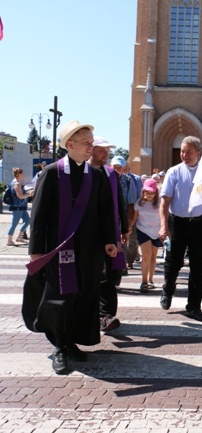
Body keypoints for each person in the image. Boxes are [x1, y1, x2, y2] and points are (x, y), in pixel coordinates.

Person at [22, 120, 117, 375]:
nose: (91, 147)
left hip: (89, 250)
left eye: (92, 143)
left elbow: (107, 211)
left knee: (85, 295)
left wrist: (110, 240)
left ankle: (72, 340)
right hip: (59, 249)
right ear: (70, 145)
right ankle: (60, 347)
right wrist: (36, 251)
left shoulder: (96, 175)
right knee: (60, 297)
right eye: (86, 143)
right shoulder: (52, 173)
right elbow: (39, 214)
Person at [158, 136, 202, 322]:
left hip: (200, 224)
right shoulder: (174, 172)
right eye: (182, 151)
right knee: (173, 262)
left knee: (198, 265)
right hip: (176, 223)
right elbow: (165, 202)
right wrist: (163, 226)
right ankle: (168, 288)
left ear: (198, 153)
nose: (184, 155)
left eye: (188, 151)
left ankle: (194, 306)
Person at [89, 137, 129, 333]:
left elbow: (119, 201)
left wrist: (124, 228)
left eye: (107, 151)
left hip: (111, 231)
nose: (105, 154)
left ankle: (106, 315)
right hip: (89, 234)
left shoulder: (111, 174)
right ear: (90, 151)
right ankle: (96, 314)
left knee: (110, 274)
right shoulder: (84, 173)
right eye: (100, 151)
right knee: (94, 275)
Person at [133, 178, 162, 292]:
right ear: (143, 191)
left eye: (152, 192)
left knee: (153, 256)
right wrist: (129, 227)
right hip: (143, 230)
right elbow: (135, 218)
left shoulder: (160, 202)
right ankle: (144, 281)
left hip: (156, 231)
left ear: (156, 192)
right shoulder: (139, 203)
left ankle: (150, 279)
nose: (149, 195)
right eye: (147, 192)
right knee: (146, 255)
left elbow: (164, 216)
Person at [111, 156, 138, 274]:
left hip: (121, 217)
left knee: (122, 242)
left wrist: (129, 223)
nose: (117, 169)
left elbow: (131, 203)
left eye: (119, 167)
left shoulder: (127, 180)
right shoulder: (105, 177)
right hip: (108, 217)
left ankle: (121, 266)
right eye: (115, 167)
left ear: (124, 168)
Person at [7, 167, 33, 246]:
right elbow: (20, 196)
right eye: (22, 173)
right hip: (17, 207)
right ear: (18, 174)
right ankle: (9, 240)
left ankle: (19, 237)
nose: (23, 175)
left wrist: (28, 192)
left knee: (28, 221)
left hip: (21, 206)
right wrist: (30, 193)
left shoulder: (16, 182)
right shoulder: (17, 184)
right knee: (14, 223)